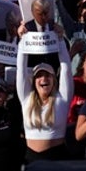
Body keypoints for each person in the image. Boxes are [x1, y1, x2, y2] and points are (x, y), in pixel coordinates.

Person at [16, 28, 73, 162]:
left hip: (56, 158)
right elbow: (21, 69)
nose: (44, 79)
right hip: (30, 159)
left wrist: (60, 39)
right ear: (34, 81)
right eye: (39, 76)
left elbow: (66, 69)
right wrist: (23, 39)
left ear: (54, 79)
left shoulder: (62, 99)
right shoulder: (26, 99)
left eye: (48, 75)